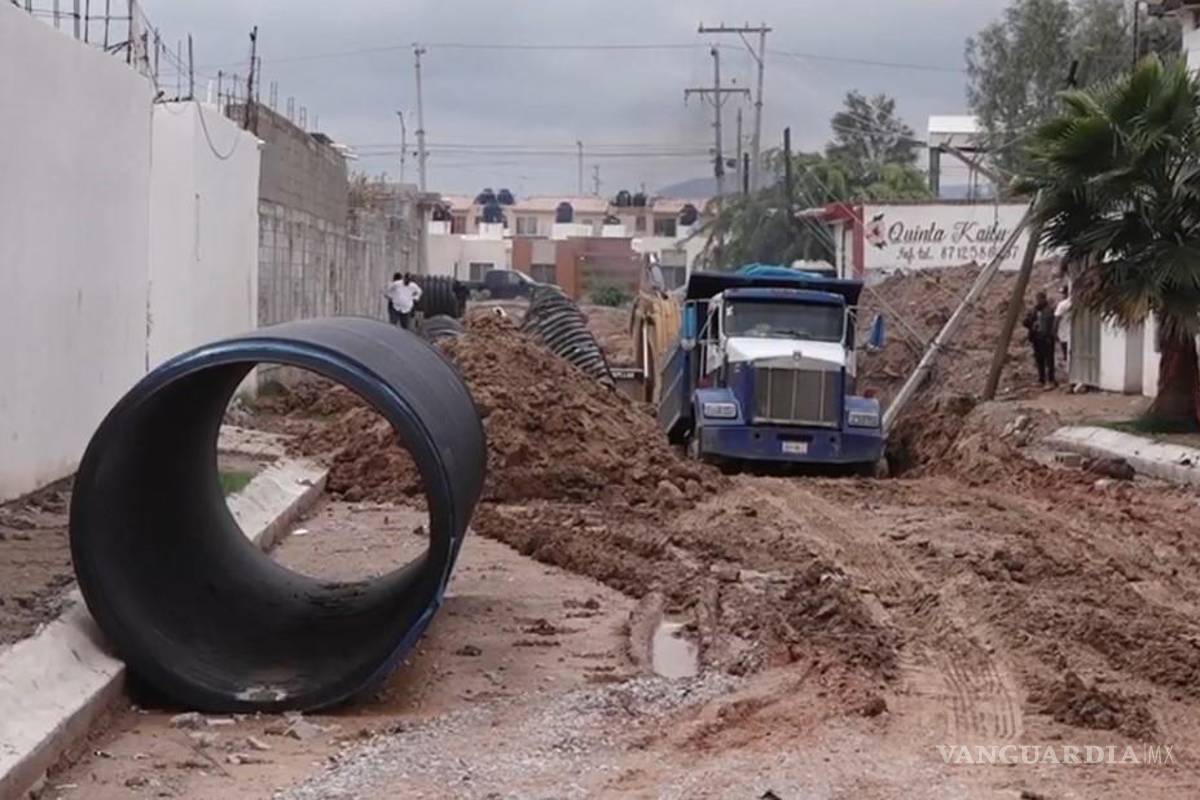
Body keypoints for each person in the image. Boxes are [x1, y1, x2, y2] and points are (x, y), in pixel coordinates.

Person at [1023, 291, 1057, 386]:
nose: (1038, 301)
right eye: (1037, 299)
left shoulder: (1049, 310)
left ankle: (1051, 380)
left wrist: (1051, 335)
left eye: (1039, 299)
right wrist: (1030, 321)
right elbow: (1025, 323)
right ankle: (1041, 380)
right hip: (1036, 338)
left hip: (1046, 338)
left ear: (1044, 299)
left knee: (1049, 360)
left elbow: (1052, 325)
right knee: (1039, 360)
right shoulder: (1034, 311)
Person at [1054, 284, 1072, 363]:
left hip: (1064, 334)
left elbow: (1057, 318)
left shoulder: (1062, 304)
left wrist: (1054, 331)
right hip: (1075, 335)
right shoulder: (1076, 303)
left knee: (1066, 356)